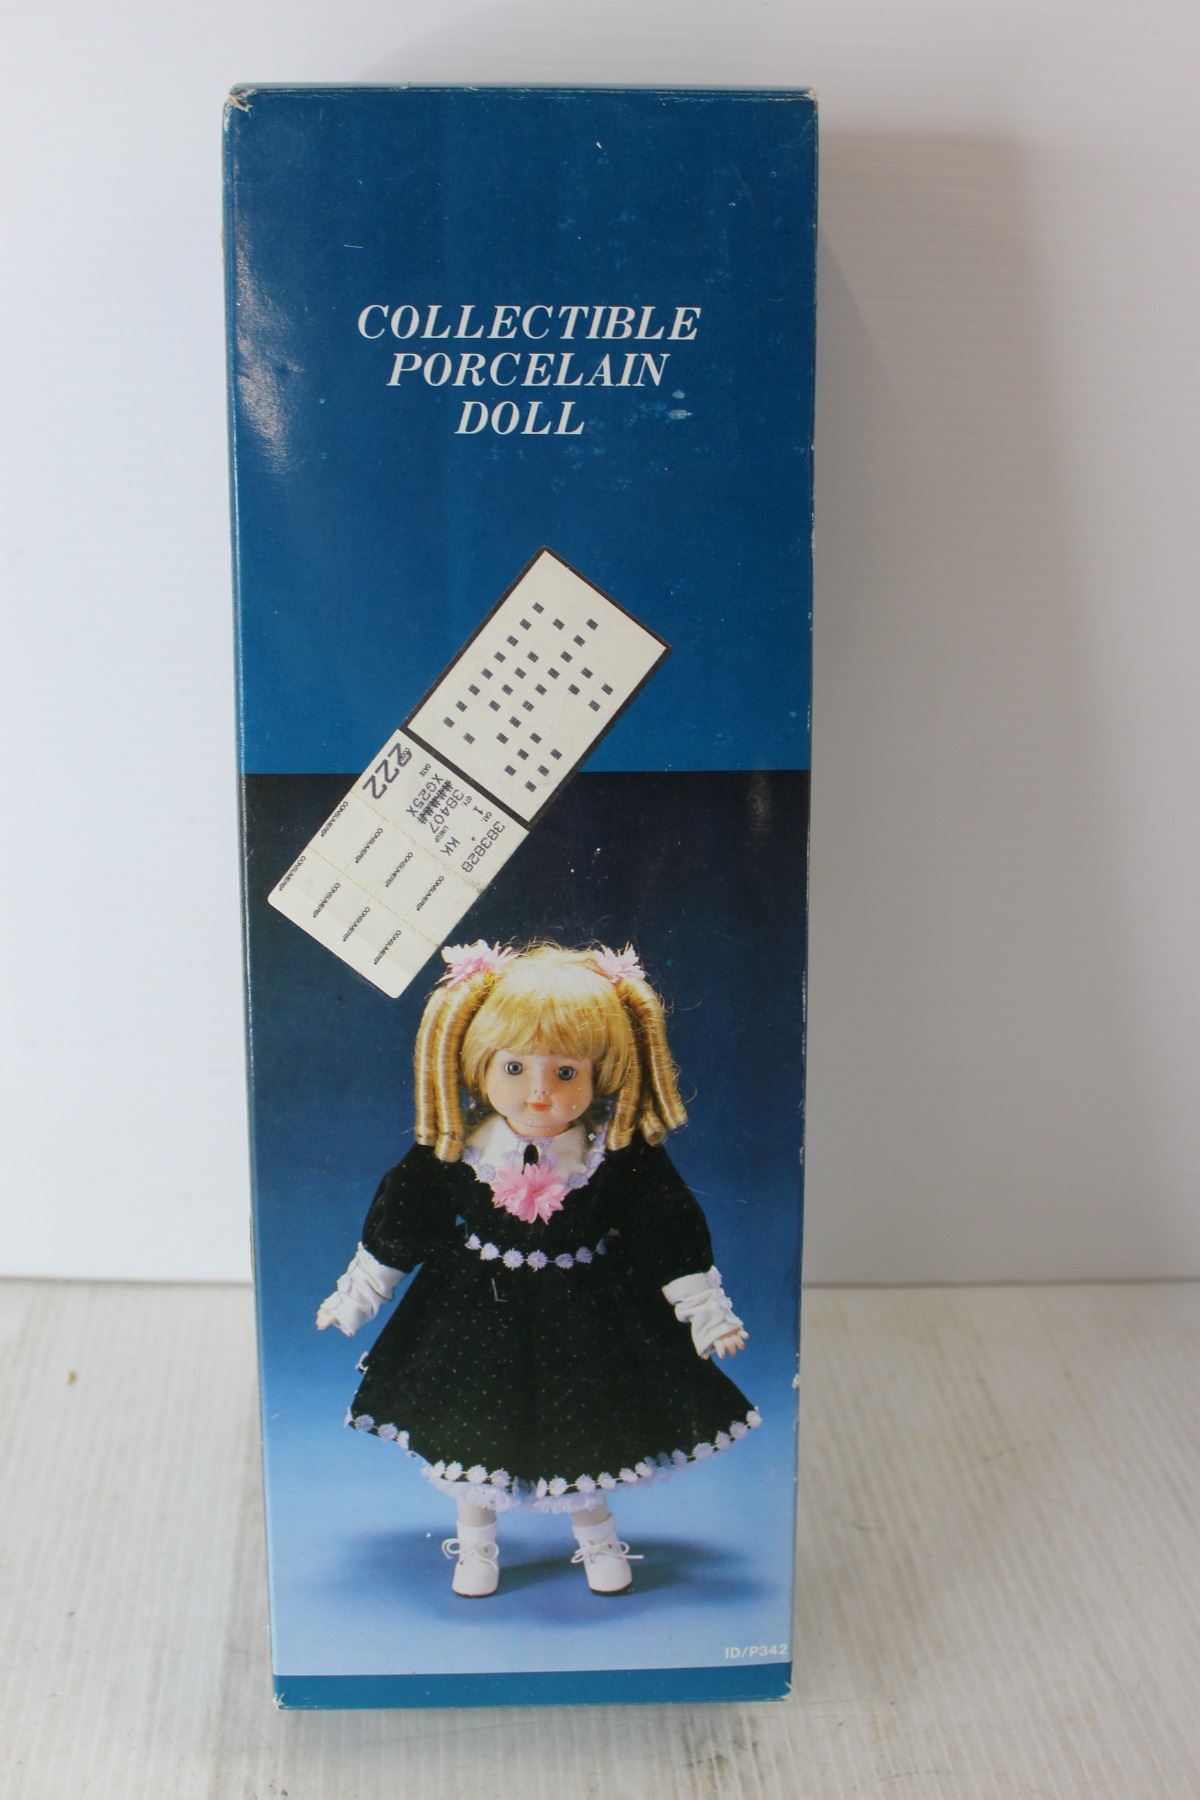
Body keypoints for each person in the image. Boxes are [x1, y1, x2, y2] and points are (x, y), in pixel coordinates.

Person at [317, 940, 759, 1598]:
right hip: (475, 1312)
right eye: (516, 1067)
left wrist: (704, 1311)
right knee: (473, 1432)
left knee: (586, 1427)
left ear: (602, 1073)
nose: (539, 1093)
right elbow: (403, 1221)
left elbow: (667, 1231)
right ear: (478, 1066)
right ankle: (476, 1547)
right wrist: (358, 1294)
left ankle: (598, 1541)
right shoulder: (458, 1151)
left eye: (565, 1072)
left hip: (584, 1311)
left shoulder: (616, 1156)